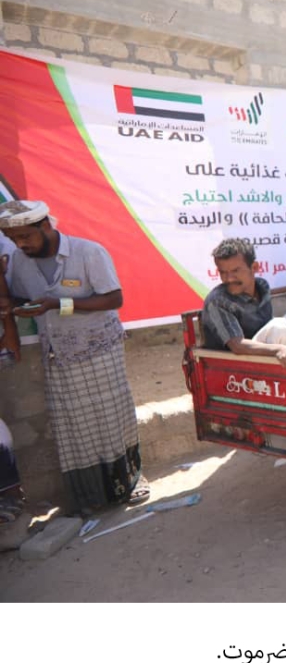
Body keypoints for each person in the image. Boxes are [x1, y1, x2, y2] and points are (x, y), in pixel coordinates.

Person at [0, 199, 149, 514]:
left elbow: (114, 298)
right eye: (14, 239)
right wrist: (14, 301)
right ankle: (89, 495)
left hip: (99, 348)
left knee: (111, 415)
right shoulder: (20, 261)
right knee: (73, 427)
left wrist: (58, 304)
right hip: (58, 354)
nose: (20, 244)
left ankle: (130, 481)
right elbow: (23, 297)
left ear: (45, 226)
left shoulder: (88, 252)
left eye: (25, 236)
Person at [202, 237, 286, 368]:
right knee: (279, 327)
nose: (229, 279)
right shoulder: (218, 301)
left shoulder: (261, 286)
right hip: (240, 362)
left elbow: (266, 291)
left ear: (254, 267)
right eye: (223, 272)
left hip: (264, 348)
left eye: (235, 271)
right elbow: (237, 345)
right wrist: (279, 349)